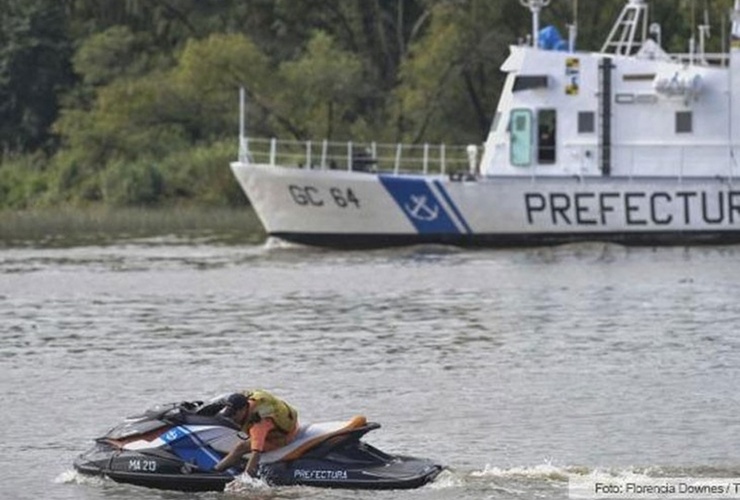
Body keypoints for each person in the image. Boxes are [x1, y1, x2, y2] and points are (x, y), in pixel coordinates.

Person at [213, 390, 299, 476]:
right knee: (241, 447)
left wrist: (246, 479)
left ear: (243, 409)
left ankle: (216, 471)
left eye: (234, 414)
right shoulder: (250, 401)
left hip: (283, 438)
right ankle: (216, 470)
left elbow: (256, 453)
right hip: (281, 422)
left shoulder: (258, 425)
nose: (232, 418)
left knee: (241, 447)